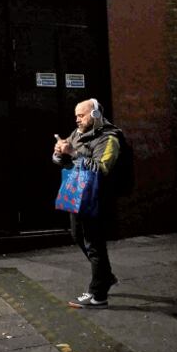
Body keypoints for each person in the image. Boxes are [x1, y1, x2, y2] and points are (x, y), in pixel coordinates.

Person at [52, 98, 121, 309]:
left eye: (81, 115)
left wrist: (72, 152)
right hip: (77, 194)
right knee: (78, 236)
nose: (77, 119)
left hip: (96, 198)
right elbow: (65, 162)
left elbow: (101, 169)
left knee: (94, 244)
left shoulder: (110, 139)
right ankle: (106, 276)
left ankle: (99, 295)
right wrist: (59, 153)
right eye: (76, 115)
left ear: (96, 115)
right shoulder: (77, 134)